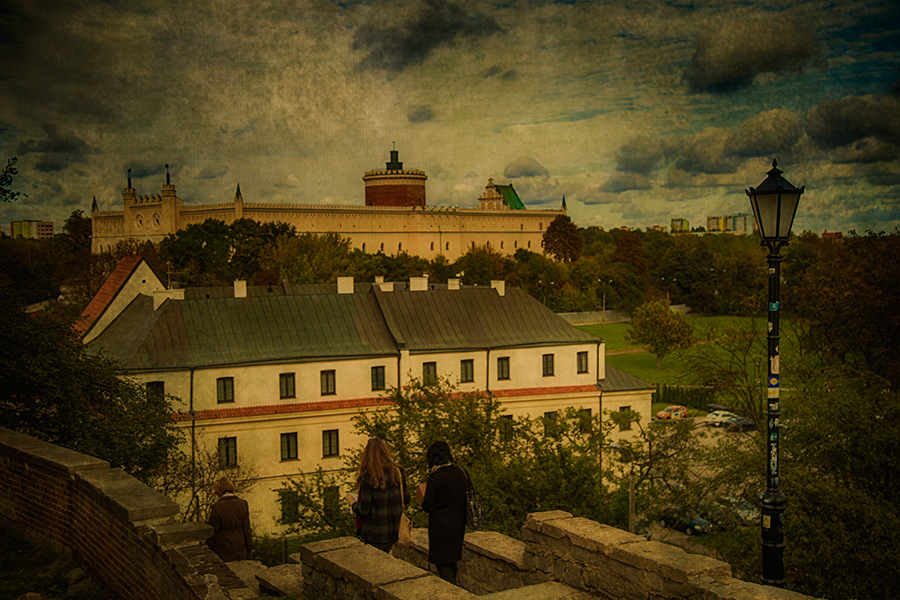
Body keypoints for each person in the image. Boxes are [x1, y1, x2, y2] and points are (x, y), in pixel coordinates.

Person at [346, 437, 410, 553]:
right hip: (393, 531)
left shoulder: (368, 477)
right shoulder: (398, 471)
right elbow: (406, 499)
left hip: (374, 534)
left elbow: (364, 510)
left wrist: (353, 503)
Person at [417, 440, 468, 585]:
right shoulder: (460, 472)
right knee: (452, 560)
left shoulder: (435, 478)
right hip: (458, 524)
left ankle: (454, 592)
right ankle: (455, 589)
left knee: (441, 562)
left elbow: (428, 506)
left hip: (440, 527)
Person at [206, 477, 253, 562]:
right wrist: (249, 549)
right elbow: (247, 530)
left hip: (223, 549)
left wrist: (209, 548)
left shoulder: (217, 507)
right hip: (240, 548)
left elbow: (213, 532)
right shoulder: (243, 504)